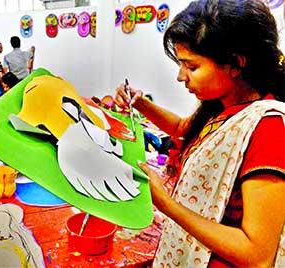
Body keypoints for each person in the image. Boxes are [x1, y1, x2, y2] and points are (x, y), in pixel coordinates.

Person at [115, 0, 284, 267]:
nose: (181, 77)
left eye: (191, 66)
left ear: (236, 64)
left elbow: (257, 255)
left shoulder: (268, 128)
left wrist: (167, 205)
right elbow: (186, 130)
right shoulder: (223, 105)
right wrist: (140, 103)